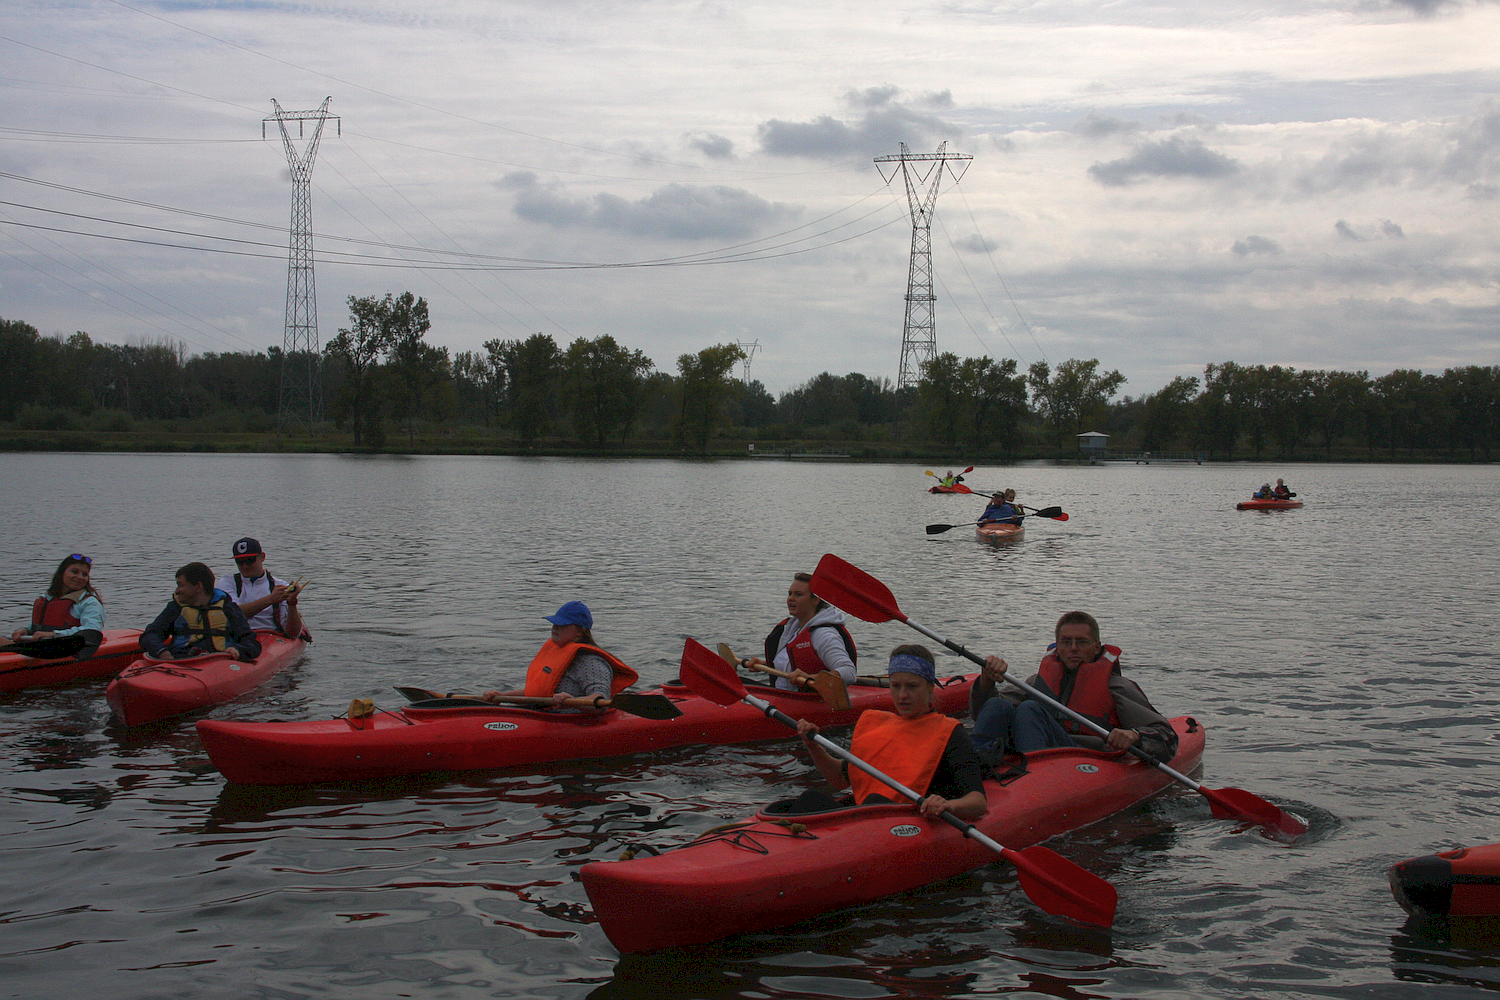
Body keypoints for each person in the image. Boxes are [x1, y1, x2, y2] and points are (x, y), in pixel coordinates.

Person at [794, 645, 987, 821]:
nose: (902, 695)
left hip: (906, 823)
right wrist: (813, 746)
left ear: (930, 686)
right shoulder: (874, 725)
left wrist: (949, 805)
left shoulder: (950, 733)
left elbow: (978, 802)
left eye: (912, 686)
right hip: (867, 818)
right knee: (809, 799)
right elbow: (839, 779)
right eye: (895, 686)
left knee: (875, 801)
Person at [969, 611, 1178, 763]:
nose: (1073, 648)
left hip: (1083, 759)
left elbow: (1166, 735)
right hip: (1038, 751)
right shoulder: (1036, 683)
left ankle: (1032, 780)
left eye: (1082, 642)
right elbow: (982, 715)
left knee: (1029, 709)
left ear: (1096, 647)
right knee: (997, 705)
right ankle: (973, 766)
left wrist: (1134, 735)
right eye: (1066, 642)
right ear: (1057, 646)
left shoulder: (1118, 688)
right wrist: (986, 682)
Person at [482, 601, 638, 713]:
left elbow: (600, 699)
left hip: (573, 722)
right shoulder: (557, 654)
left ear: (580, 632)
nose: (555, 627)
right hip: (545, 716)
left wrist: (572, 700)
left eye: (562, 625)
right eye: (554, 623)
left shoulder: (591, 662)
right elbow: (537, 693)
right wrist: (502, 696)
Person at [746, 572, 857, 692]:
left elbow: (849, 672)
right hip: (781, 695)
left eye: (798, 594)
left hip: (807, 699)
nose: (791, 598)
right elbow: (793, 664)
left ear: (815, 600)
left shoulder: (824, 635)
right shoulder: (793, 629)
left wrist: (810, 678)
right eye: (790, 594)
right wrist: (765, 664)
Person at [141, 562, 262, 661]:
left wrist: (237, 650)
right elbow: (150, 635)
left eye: (181, 585)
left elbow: (252, 643)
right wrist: (162, 652)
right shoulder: (175, 608)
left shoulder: (228, 608)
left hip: (219, 663)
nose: (177, 591)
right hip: (181, 661)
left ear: (198, 587)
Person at [9, 554, 106, 658]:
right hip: (42, 648)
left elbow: (92, 631)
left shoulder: (89, 602)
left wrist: (53, 634)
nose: (80, 577)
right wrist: (26, 630)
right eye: (74, 572)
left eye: (84, 574)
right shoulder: (49, 597)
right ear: (62, 573)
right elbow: (42, 624)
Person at [214, 537, 307, 639]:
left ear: (262, 557)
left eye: (249, 560)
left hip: (271, 639)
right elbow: (233, 615)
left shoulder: (280, 586)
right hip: (238, 637)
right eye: (239, 561)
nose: (245, 566)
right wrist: (270, 599)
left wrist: (292, 603)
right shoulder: (227, 582)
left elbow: (293, 634)